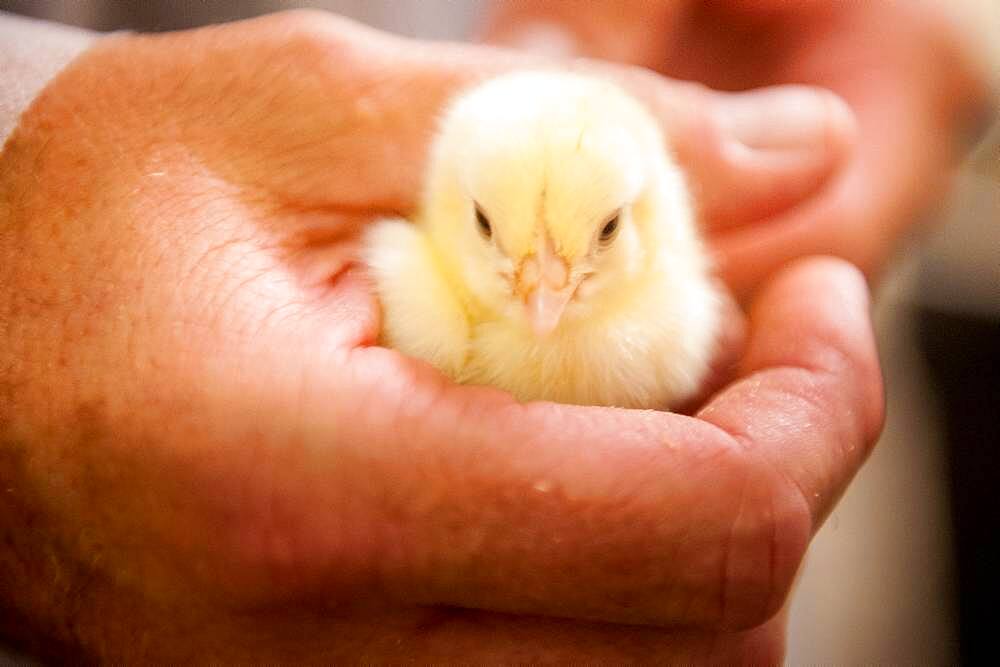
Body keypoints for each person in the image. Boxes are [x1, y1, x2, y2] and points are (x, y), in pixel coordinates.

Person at [0, 1, 987, 660]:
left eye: (599, 240)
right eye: (492, 239)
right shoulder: (410, 281)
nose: (543, 293)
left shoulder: (674, 294)